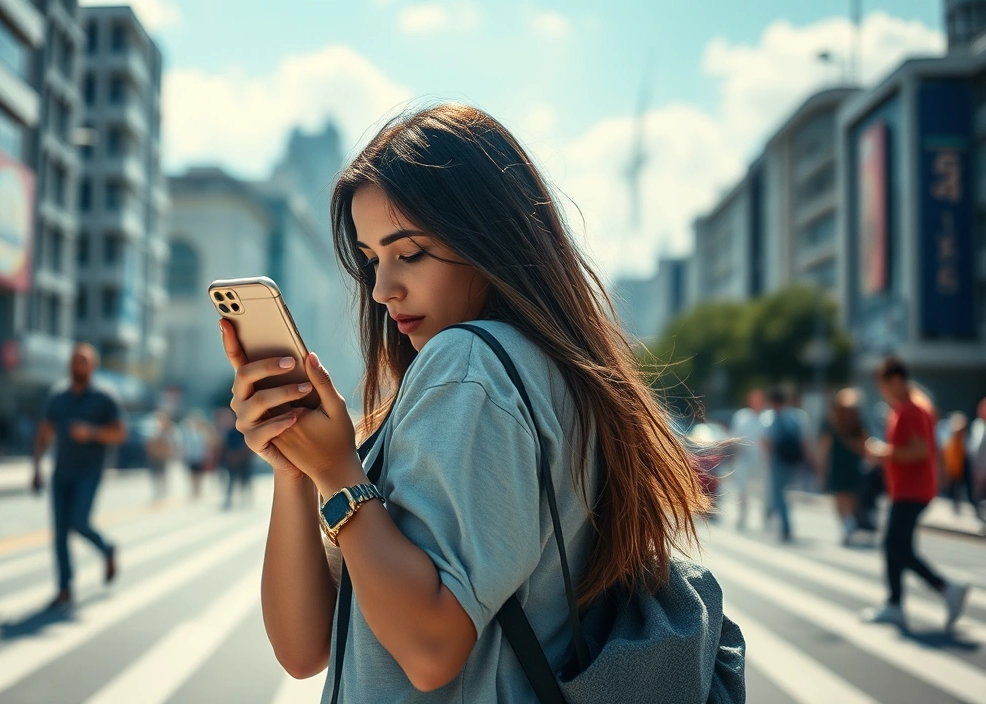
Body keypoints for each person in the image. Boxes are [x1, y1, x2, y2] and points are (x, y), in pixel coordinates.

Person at [225, 105, 740, 700]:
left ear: (487, 237)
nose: (382, 288)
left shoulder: (469, 368)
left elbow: (429, 649)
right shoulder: (535, 372)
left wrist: (339, 472)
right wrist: (296, 468)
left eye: (409, 252)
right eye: (370, 260)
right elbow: (306, 646)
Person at [862, 356, 969, 630]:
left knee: (896, 546)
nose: (882, 392)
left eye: (883, 386)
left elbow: (922, 449)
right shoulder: (905, 407)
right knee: (894, 546)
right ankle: (896, 604)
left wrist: (883, 453)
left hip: (913, 489)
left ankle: (946, 588)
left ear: (895, 380)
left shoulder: (912, 408)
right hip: (906, 489)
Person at [32, 343, 127, 610]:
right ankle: (64, 589)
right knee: (60, 532)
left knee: (79, 522)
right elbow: (44, 432)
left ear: (93, 366)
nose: (78, 364)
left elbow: (120, 433)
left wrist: (92, 433)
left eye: (83, 360)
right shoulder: (58, 396)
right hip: (61, 472)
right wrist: (36, 468)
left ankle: (107, 549)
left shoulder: (105, 397)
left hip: (90, 471)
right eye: (75, 360)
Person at [817, 389, 871, 546]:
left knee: (840, 498)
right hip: (854, 464)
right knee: (850, 497)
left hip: (838, 464)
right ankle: (850, 525)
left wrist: (821, 468)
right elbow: (865, 442)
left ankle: (848, 526)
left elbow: (824, 447)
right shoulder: (857, 421)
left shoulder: (831, 422)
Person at [763, 388, 809, 543]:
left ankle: (784, 525)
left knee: (779, 495)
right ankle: (775, 514)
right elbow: (804, 441)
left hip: (778, 461)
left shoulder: (772, 418)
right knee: (785, 494)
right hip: (793, 461)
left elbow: (767, 442)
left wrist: (768, 462)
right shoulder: (796, 416)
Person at [728, 390, 767, 530]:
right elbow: (734, 437)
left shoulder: (767, 418)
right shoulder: (742, 416)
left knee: (764, 492)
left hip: (762, 462)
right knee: (742, 490)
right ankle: (741, 516)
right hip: (744, 459)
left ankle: (766, 519)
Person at [219, 408, 254, 511]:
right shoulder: (230, 431)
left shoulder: (244, 430)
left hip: (243, 459)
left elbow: (248, 446)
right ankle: (230, 500)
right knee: (232, 480)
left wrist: (239, 455)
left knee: (245, 479)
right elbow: (226, 446)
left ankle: (246, 499)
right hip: (233, 459)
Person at [144, 410, 180, 502]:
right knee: (154, 473)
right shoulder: (153, 427)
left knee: (163, 472)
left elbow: (174, 442)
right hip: (155, 454)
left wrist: (173, 452)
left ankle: (163, 490)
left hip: (164, 455)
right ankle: (157, 489)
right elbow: (148, 441)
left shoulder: (170, 428)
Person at [179, 410, 213, 501]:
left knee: (199, 474)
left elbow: (206, 445)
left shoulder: (203, 433)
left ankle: (198, 490)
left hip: (200, 456)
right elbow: (184, 444)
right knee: (192, 474)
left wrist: (207, 456)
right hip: (191, 456)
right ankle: (193, 490)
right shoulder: (188, 433)